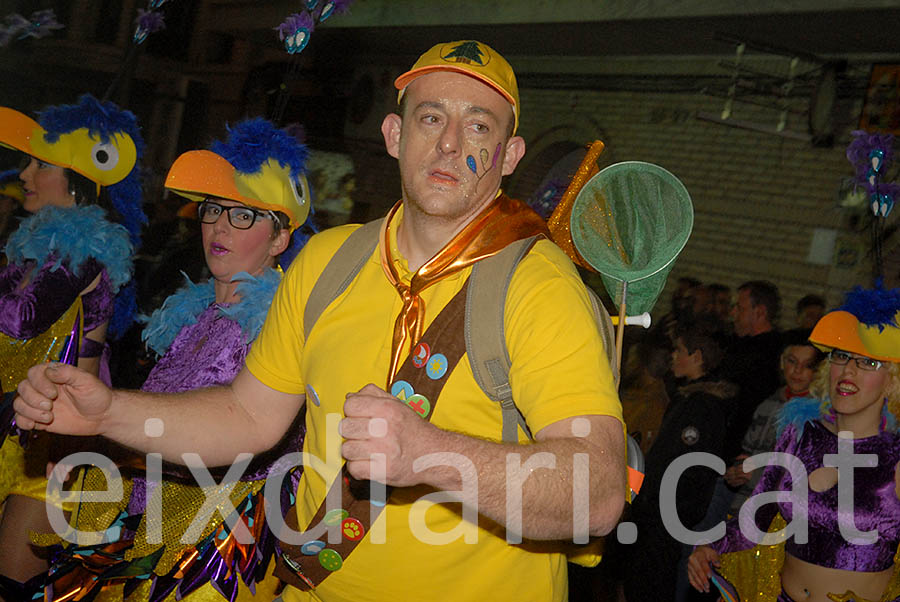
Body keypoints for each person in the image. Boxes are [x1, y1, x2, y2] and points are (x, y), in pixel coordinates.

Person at [15, 40, 626, 602]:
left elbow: (597, 494)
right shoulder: (329, 260)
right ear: (394, 133)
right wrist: (107, 413)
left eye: (480, 125)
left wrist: (429, 455)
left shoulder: (539, 287)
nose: (449, 143)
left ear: (510, 154)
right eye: (431, 117)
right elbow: (247, 415)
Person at [37, 118, 313, 601]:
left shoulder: (281, 324)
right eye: (213, 210)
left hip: (205, 548)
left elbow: (254, 451)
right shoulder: (193, 311)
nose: (220, 227)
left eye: (243, 215)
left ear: (279, 239)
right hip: (142, 515)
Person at [0, 95, 144, 588]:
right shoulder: (31, 246)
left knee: (14, 585)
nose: (23, 174)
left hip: (56, 439)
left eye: (40, 163)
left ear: (79, 181)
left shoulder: (87, 247)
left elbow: (22, 319)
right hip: (15, 424)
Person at [688, 285, 900, 602]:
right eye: (841, 357)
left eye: (868, 363)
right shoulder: (801, 436)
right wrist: (711, 546)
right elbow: (757, 516)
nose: (849, 371)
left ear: (892, 381)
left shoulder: (895, 458)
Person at [624, 315, 736, 602]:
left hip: (668, 521)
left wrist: (662, 509)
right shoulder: (686, 399)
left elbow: (691, 469)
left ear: (696, 357)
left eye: (679, 351)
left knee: (652, 588)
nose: (672, 356)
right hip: (656, 515)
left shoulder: (704, 407)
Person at [723, 328, 824, 515]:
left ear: (818, 372)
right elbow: (747, 451)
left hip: (779, 515)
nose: (797, 371)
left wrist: (755, 475)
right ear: (782, 363)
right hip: (742, 507)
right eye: (792, 361)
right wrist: (736, 471)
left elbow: (807, 475)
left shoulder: (820, 414)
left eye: (807, 365)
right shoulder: (767, 404)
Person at [721, 280, 783, 461]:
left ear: (760, 312)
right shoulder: (736, 344)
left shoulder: (771, 355)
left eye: (739, 308)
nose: (733, 313)